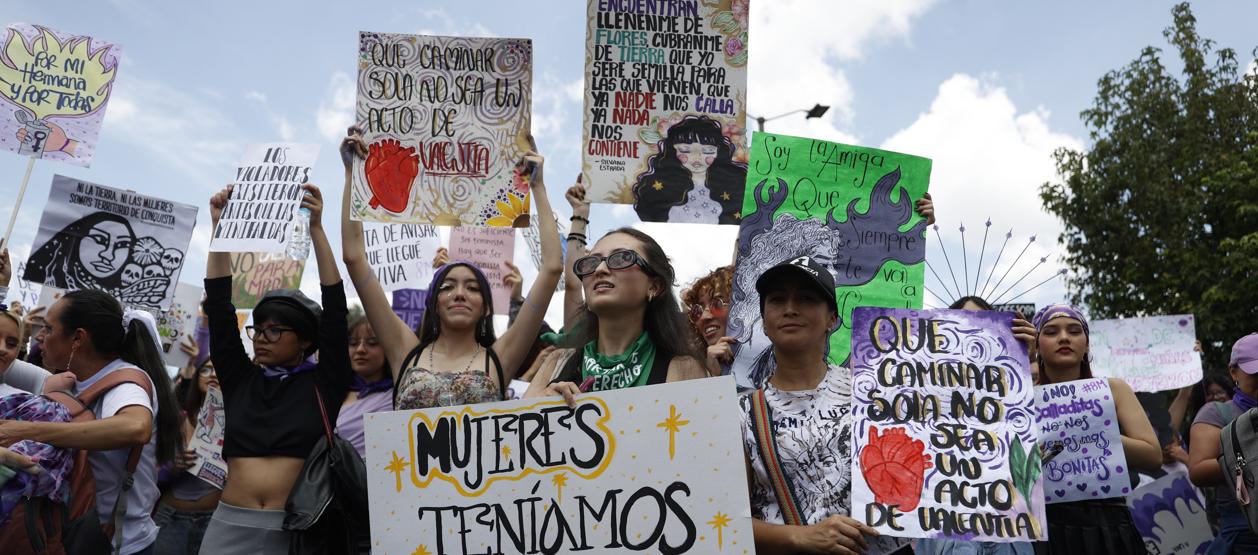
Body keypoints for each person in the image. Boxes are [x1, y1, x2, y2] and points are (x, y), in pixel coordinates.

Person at [339, 128, 563, 411]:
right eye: (447, 287)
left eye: (472, 288)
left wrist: (538, 187)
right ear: (434, 302)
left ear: (486, 307)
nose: (459, 294)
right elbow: (354, 257)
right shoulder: (403, 351)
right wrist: (352, 175)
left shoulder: (501, 357)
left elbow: (552, 268)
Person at [198, 182, 352, 554]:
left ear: (304, 341)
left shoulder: (323, 383)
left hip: (298, 531)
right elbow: (219, 308)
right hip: (228, 527)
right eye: (258, 329)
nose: (261, 338)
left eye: (275, 330)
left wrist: (317, 229)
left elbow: (335, 311)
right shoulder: (240, 379)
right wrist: (221, 230)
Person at [739, 256, 905, 554]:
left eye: (806, 298)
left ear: (832, 319)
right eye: (777, 300)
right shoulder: (740, 414)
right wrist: (800, 537)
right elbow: (723, 518)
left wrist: (1012, 360)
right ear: (763, 322)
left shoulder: (877, 392)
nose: (790, 309)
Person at [0, 289, 182, 555]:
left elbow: (136, 427)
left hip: (118, 544)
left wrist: (28, 430)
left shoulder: (125, 382)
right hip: (77, 533)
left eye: (49, 329)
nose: (40, 337)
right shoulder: (70, 379)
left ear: (78, 339)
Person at [1032, 304, 1161, 555]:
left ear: (1087, 344)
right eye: (1050, 332)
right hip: (1044, 527)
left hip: (1108, 525)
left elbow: (1153, 455)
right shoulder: (1021, 398)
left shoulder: (1114, 389)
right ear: (1036, 345)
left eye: (1074, 330)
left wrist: (1092, 428)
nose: (1064, 338)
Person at [524, 227, 708, 403]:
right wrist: (540, 408)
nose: (599, 269)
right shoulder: (556, 363)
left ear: (654, 286)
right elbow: (513, 432)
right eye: (591, 262)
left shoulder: (684, 368)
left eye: (621, 258)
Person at [915, 295, 1036, 555]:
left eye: (982, 322)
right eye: (960, 321)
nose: (971, 329)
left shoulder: (1017, 393)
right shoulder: (921, 392)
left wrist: (1029, 359)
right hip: (944, 528)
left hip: (1008, 529)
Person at [1188, 333, 1258, 553]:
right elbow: (1198, 470)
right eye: (1256, 371)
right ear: (1233, 371)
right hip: (1246, 533)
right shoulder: (1218, 412)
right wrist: (1250, 456)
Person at [153, 358, 222, 555]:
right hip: (171, 517)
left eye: (219, 370)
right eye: (206, 370)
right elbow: (147, 472)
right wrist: (171, 468)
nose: (213, 375)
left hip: (213, 520)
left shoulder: (238, 420)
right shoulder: (175, 419)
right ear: (196, 376)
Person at [632, 115, 747, 224]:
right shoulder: (658, 188)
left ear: (719, 152)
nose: (697, 157)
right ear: (672, 151)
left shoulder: (735, 187)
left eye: (708, 151)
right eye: (685, 150)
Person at [335, 316, 393, 459]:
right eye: (353, 343)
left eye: (372, 343)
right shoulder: (329, 393)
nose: (360, 349)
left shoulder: (400, 395)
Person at [681, 265, 735, 376]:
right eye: (697, 311)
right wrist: (715, 378)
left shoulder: (774, 356)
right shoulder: (693, 375)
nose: (704, 317)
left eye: (717, 304)